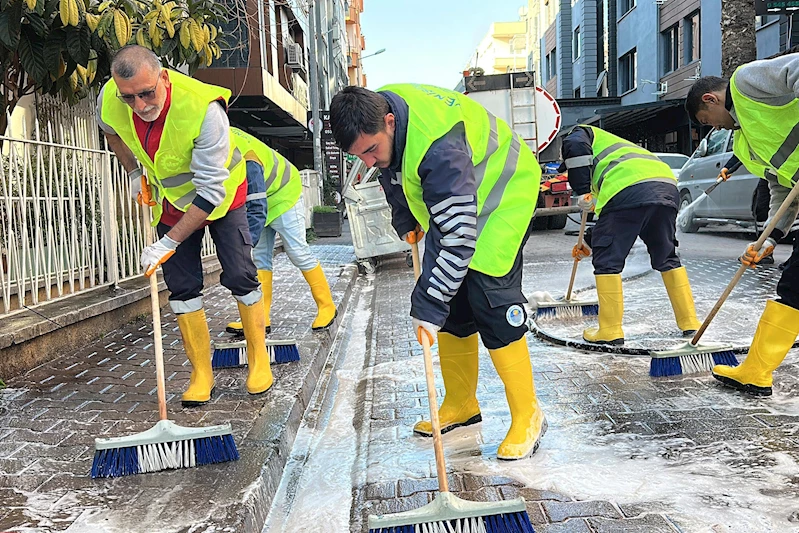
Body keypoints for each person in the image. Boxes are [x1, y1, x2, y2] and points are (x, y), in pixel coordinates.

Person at [329, 84, 546, 460]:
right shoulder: (377, 119)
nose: (366, 161)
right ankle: (461, 404)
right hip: (462, 195)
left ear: (390, 123)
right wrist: (406, 218)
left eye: (370, 150)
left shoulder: (438, 146)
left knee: (488, 296)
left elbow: (459, 238)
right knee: (454, 302)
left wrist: (427, 307)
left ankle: (529, 414)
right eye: (357, 155)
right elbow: (390, 171)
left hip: (502, 194)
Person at [97, 45, 273, 406]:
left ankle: (258, 359)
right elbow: (109, 131)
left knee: (240, 274)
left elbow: (209, 194)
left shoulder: (204, 110)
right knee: (181, 284)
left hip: (222, 198)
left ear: (163, 77)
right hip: (172, 200)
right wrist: (133, 171)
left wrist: (168, 243)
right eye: (129, 97)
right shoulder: (111, 98)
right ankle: (201, 373)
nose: (141, 105)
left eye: (147, 93)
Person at [686, 53, 799, 396]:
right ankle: (756, 369)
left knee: (795, 284)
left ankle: (756, 370)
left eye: (708, 121)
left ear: (711, 99)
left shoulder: (746, 81)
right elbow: (782, 188)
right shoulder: (745, 143)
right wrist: (770, 238)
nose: (714, 128)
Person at [561, 126, 702, 345]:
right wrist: (588, 243)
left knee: (608, 262)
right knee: (666, 255)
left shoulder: (580, 133)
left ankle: (610, 330)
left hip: (628, 189)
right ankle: (690, 321)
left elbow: (575, 146)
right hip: (665, 187)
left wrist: (580, 190)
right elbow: (612, 223)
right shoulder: (617, 153)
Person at [225, 128, 337, 336]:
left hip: (284, 193)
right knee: (260, 258)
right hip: (264, 196)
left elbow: (257, 209)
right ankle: (261, 317)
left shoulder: (245, 156)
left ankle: (327, 306)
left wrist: (242, 247)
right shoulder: (214, 140)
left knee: (297, 251)